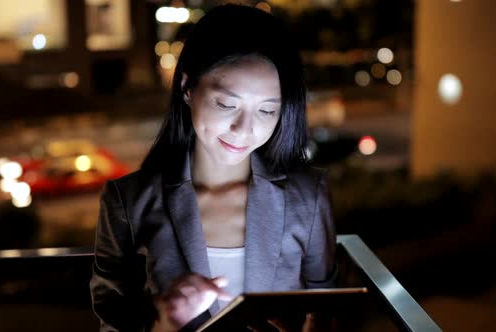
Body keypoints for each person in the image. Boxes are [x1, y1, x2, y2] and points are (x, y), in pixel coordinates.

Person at [90, 4, 337, 332]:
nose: (244, 129)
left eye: (266, 111)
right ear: (187, 88)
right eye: (226, 104)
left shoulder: (307, 195)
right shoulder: (128, 201)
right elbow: (113, 321)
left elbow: (329, 308)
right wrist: (165, 325)